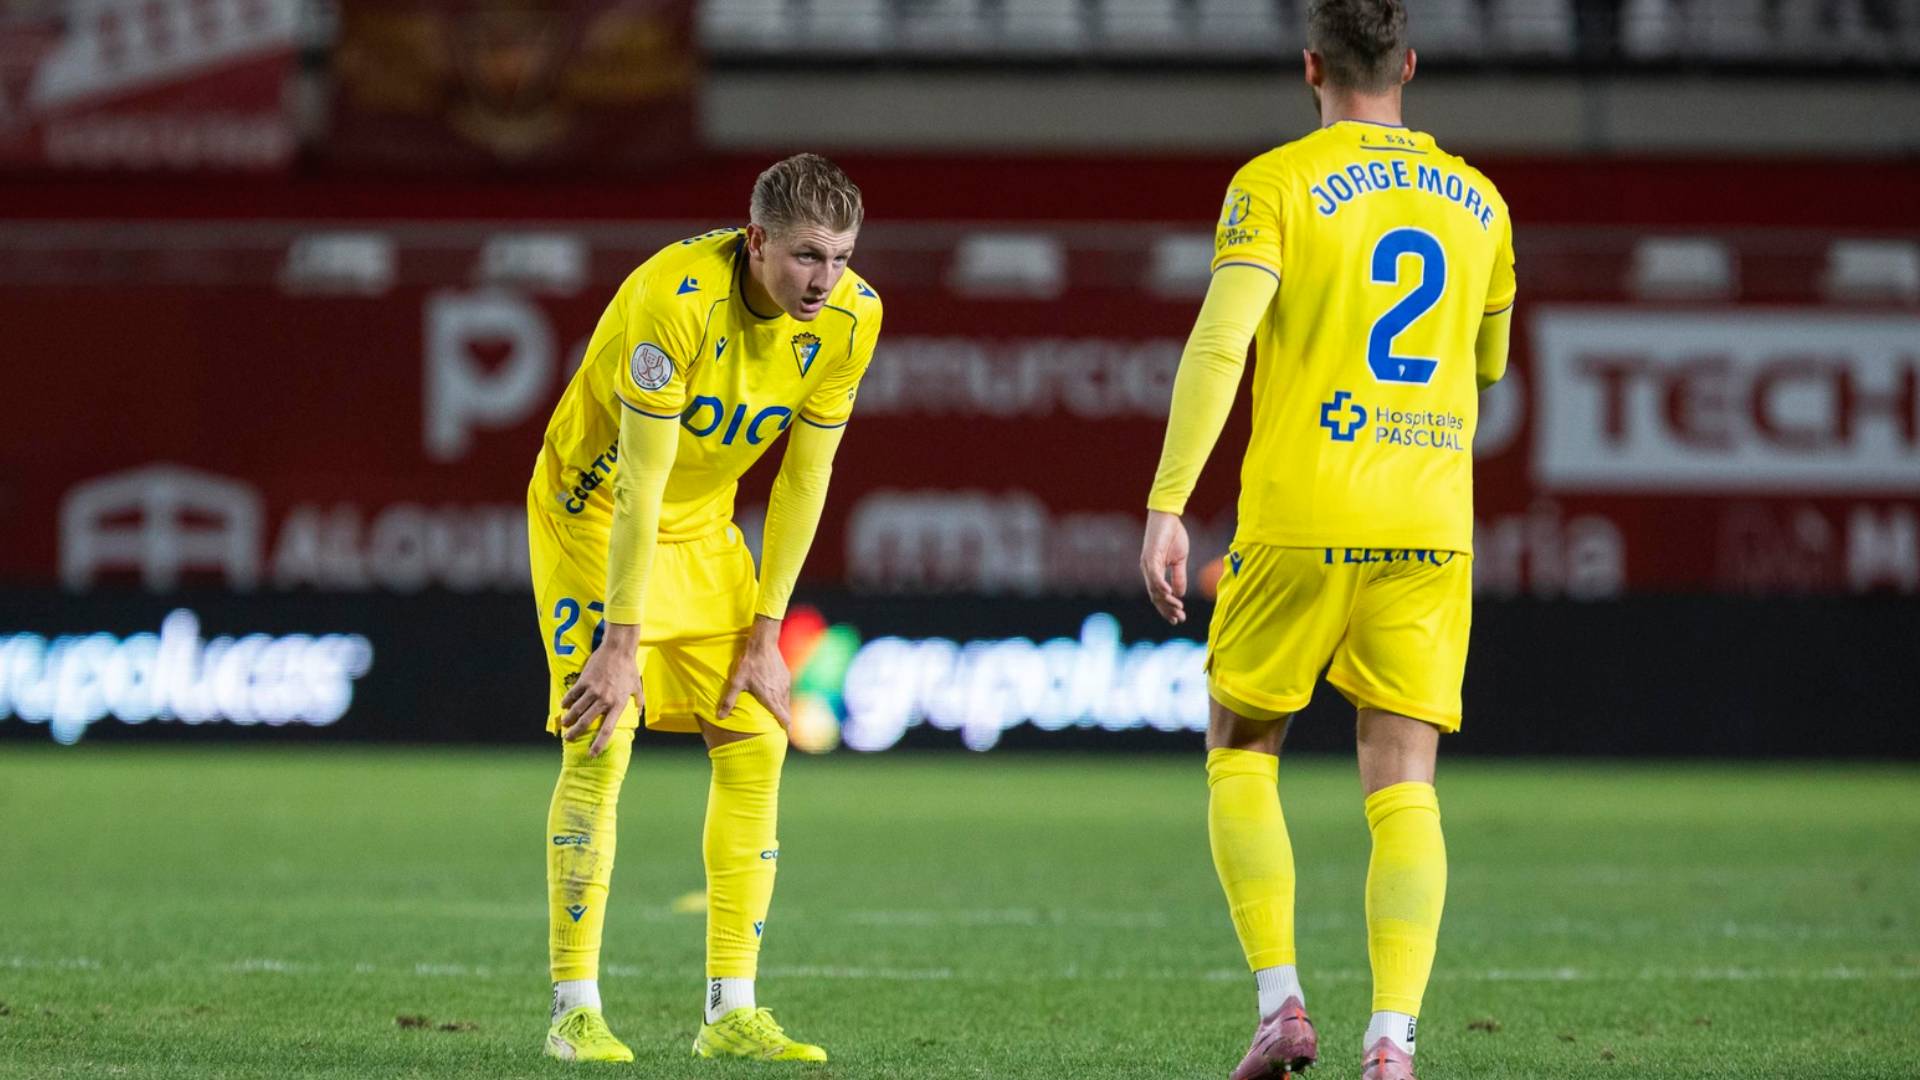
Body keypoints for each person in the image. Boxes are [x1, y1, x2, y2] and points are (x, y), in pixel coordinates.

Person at [1137, 3, 1515, 1078]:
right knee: (1404, 782)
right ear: (1410, 64)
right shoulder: (1482, 201)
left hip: (1304, 512)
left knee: (1240, 747)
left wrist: (1169, 500)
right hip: (1429, 525)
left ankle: (1281, 1003)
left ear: (1312, 66)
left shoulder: (1276, 183)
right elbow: (1488, 366)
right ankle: (1393, 1039)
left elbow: (1221, 343)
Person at [526, 153, 881, 1064]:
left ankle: (731, 1013)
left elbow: (804, 479)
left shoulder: (852, 318)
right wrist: (620, 644)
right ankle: (573, 1011)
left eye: (841, 256)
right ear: (756, 241)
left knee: (758, 735)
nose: (826, 279)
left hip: (704, 527)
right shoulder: (672, 300)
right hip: (593, 520)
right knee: (601, 738)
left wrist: (767, 634)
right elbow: (638, 484)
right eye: (807, 256)